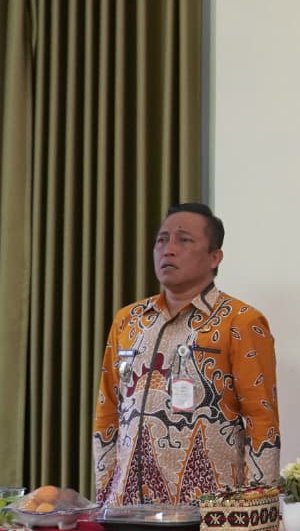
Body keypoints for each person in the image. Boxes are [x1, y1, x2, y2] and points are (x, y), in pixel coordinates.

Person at [93, 203, 281, 505]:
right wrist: (105, 496)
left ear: (214, 257)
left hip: (210, 512)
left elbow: (261, 422)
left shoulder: (241, 321)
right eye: (161, 240)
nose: (168, 250)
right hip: (126, 509)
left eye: (184, 240)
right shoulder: (128, 320)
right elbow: (108, 412)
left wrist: (254, 509)